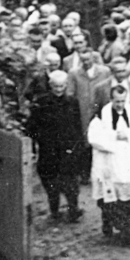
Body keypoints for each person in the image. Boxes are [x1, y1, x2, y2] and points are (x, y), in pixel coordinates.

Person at [88, 81, 130, 249]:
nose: (120, 105)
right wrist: (113, 136)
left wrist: (129, 135)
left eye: (123, 101)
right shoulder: (102, 116)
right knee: (111, 199)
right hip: (110, 163)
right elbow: (94, 137)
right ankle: (117, 227)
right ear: (111, 99)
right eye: (117, 101)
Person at [25, 69, 85, 223]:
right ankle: (55, 210)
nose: (59, 90)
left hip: (67, 148)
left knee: (70, 181)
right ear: (50, 86)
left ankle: (73, 209)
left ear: (66, 86)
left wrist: (77, 146)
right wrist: (41, 141)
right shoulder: (41, 103)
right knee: (51, 181)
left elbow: (77, 126)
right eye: (55, 86)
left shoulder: (72, 102)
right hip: (49, 149)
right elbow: (32, 127)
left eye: (62, 86)